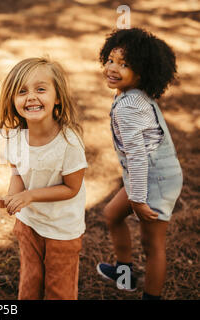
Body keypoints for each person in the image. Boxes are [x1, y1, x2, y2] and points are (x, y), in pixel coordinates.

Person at [96, 28, 182, 300]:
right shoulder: (131, 93)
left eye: (125, 64)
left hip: (154, 179)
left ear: (143, 71)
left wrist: (139, 198)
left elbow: (137, 156)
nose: (113, 68)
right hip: (146, 175)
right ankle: (125, 275)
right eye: (111, 59)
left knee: (152, 244)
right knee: (112, 214)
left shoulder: (129, 105)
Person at [0, 57, 88, 300]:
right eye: (22, 91)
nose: (31, 97)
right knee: (30, 282)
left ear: (57, 97)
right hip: (29, 225)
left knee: (59, 289)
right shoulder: (13, 138)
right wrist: (12, 198)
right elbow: (18, 173)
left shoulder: (69, 142)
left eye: (41, 89)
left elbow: (71, 188)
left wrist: (30, 196)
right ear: (12, 100)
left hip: (62, 229)